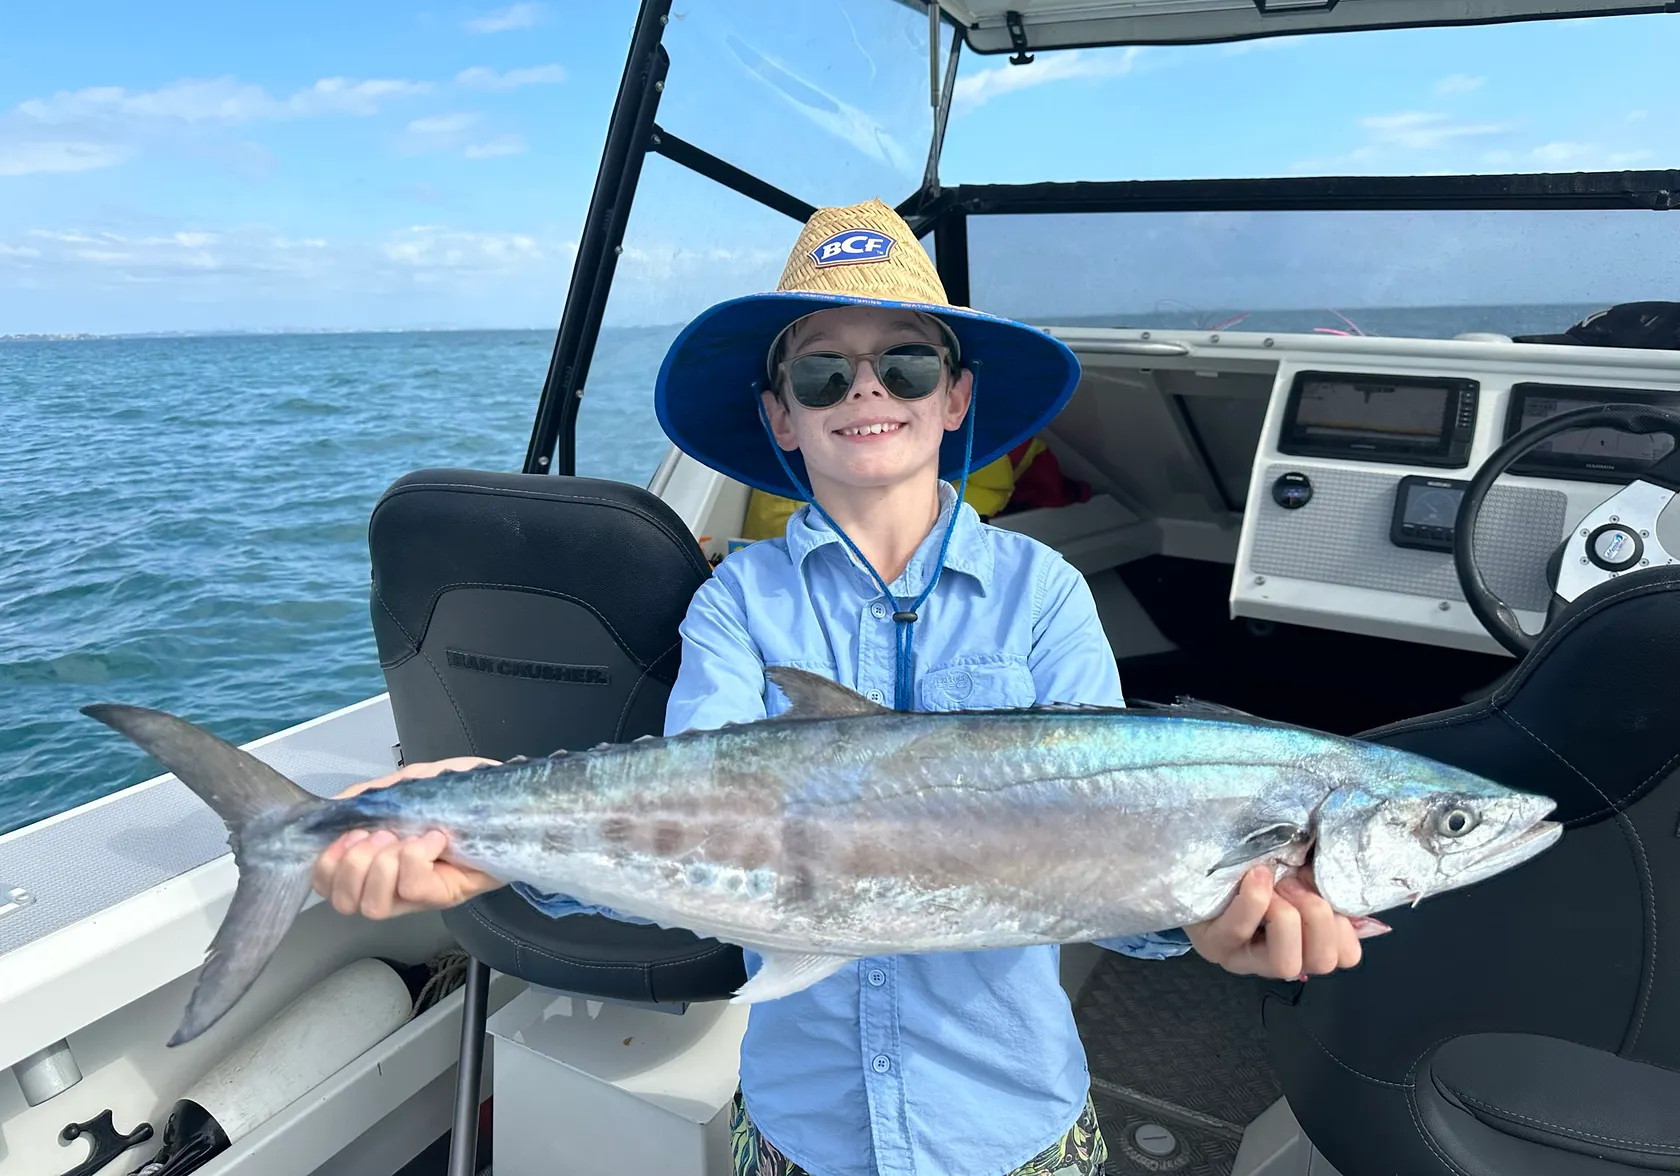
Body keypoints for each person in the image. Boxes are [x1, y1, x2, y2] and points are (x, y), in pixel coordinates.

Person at [312, 199, 1369, 1176]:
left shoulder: (1041, 594)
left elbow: (1114, 856)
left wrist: (1205, 923)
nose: (866, 389)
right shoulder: (737, 605)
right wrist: (487, 848)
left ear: (954, 398)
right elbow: (688, 830)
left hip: (1010, 1124)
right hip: (799, 1125)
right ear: (782, 416)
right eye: (824, 374)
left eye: (905, 365)